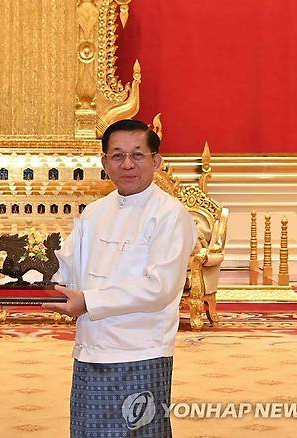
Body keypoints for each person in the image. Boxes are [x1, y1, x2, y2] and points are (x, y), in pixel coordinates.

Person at [44, 119, 197, 437]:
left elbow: (161, 288)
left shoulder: (170, 214)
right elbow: (68, 267)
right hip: (91, 348)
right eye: (117, 156)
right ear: (104, 162)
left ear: (156, 160)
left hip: (141, 351)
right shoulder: (94, 212)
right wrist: (25, 279)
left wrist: (89, 301)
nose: (127, 164)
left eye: (137, 155)